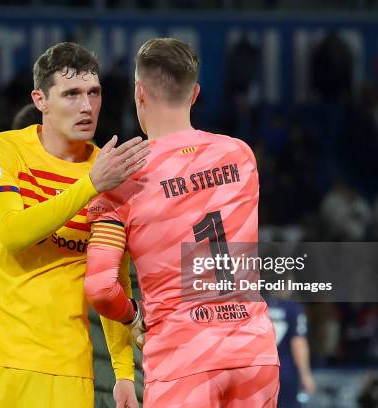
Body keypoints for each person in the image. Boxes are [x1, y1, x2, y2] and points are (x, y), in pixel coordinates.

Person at [0, 42, 148, 408]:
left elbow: (112, 279)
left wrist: (122, 374)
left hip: (66, 371)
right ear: (40, 100)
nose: (87, 107)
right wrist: (90, 185)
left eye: (94, 93)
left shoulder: (110, 171)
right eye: (71, 94)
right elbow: (13, 232)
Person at [84, 38, 279, 407]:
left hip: (182, 355)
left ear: (139, 92)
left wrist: (136, 315)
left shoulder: (122, 179)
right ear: (195, 94)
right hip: (253, 350)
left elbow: (100, 287)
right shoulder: (240, 155)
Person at [267, 296, 315, 407]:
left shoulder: (256, 305)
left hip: (259, 371)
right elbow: (298, 342)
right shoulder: (293, 308)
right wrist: (305, 374)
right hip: (285, 371)